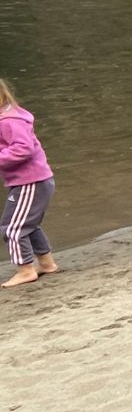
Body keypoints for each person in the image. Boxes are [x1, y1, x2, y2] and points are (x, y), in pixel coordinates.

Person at [0, 78, 57, 289]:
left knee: (12, 228)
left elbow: (23, 149)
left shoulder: (8, 121)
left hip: (30, 181)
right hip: (35, 180)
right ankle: (47, 263)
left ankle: (25, 270)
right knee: (29, 225)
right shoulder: (11, 115)